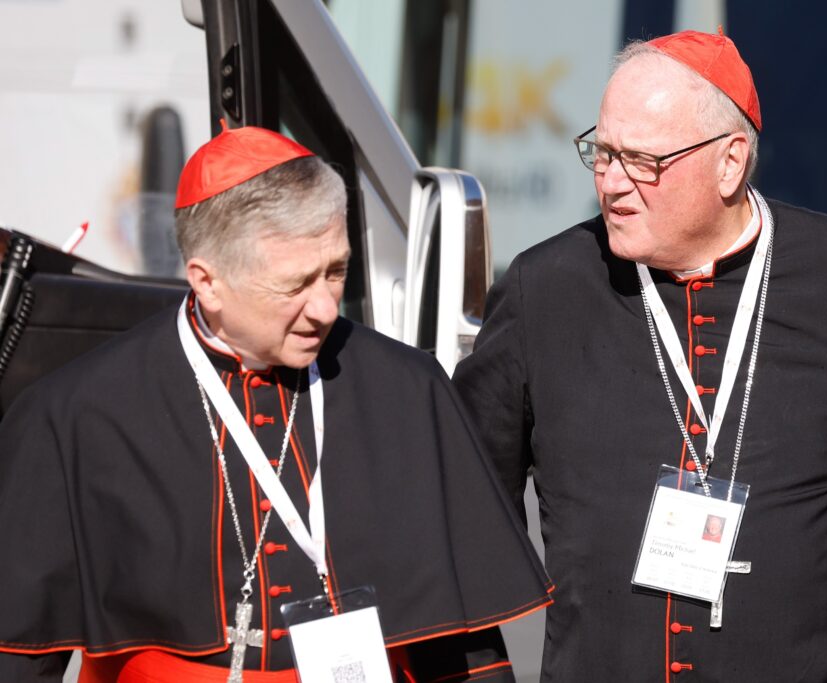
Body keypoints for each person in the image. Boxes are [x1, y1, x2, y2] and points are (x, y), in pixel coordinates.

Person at [453, 29, 827, 682]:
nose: (612, 184)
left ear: (730, 161)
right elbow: (460, 513)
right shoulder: (543, 291)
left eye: (643, 160)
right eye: (601, 153)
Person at [0, 125, 551, 682]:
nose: (325, 309)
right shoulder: (76, 414)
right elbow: (21, 654)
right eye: (295, 285)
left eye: (336, 272)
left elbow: (464, 644)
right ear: (207, 283)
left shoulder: (406, 390)